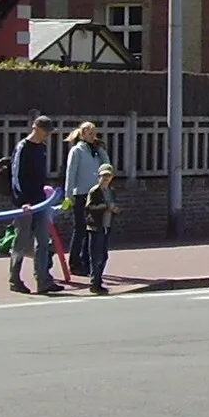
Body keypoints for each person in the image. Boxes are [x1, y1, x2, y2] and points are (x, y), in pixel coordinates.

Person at [8, 114, 61, 295]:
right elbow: (15, 177)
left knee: (43, 240)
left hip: (40, 202)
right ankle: (14, 279)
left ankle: (43, 279)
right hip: (24, 203)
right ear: (35, 128)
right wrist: (22, 202)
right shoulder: (23, 147)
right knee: (21, 241)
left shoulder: (42, 148)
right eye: (45, 131)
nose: (46, 135)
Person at [63, 122, 107, 280]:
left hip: (94, 193)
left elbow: (106, 166)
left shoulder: (94, 151)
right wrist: (68, 196)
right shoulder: (77, 151)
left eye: (93, 133)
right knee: (80, 228)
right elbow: (71, 173)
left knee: (92, 229)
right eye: (88, 133)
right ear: (81, 134)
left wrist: (100, 149)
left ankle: (86, 261)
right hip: (80, 194)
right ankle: (74, 263)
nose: (92, 136)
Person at [83, 163, 121, 295]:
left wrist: (115, 210)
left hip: (107, 224)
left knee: (104, 255)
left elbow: (113, 205)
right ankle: (94, 283)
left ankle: (99, 281)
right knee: (96, 255)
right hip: (95, 226)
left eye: (108, 176)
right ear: (98, 176)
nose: (106, 178)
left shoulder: (111, 191)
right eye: (103, 176)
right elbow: (89, 207)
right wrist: (105, 207)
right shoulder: (95, 191)